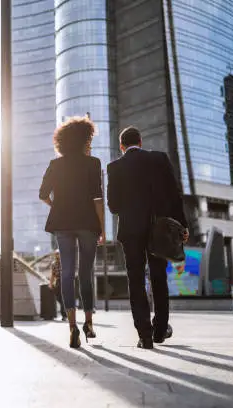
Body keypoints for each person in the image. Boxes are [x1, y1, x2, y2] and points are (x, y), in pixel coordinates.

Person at [107, 126, 188, 349]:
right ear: (140, 142)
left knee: (135, 280)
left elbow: (113, 207)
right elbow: (174, 194)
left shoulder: (114, 167)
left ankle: (144, 335)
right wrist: (183, 225)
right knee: (158, 277)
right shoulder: (159, 159)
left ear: (122, 147)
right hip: (158, 229)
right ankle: (160, 329)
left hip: (131, 231)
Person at [39, 116, 105, 348]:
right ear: (84, 139)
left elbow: (43, 194)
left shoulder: (55, 164)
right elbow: (98, 199)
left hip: (62, 224)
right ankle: (89, 323)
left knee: (67, 274)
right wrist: (102, 229)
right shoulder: (93, 163)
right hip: (88, 223)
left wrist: (56, 206)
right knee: (86, 274)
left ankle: (72, 327)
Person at [49, 251, 67, 321]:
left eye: (58, 254)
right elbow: (53, 275)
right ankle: (65, 310)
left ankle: (64, 315)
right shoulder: (53, 264)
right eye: (56, 254)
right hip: (58, 281)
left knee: (62, 298)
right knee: (58, 297)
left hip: (65, 281)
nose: (57, 255)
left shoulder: (65, 262)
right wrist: (51, 283)